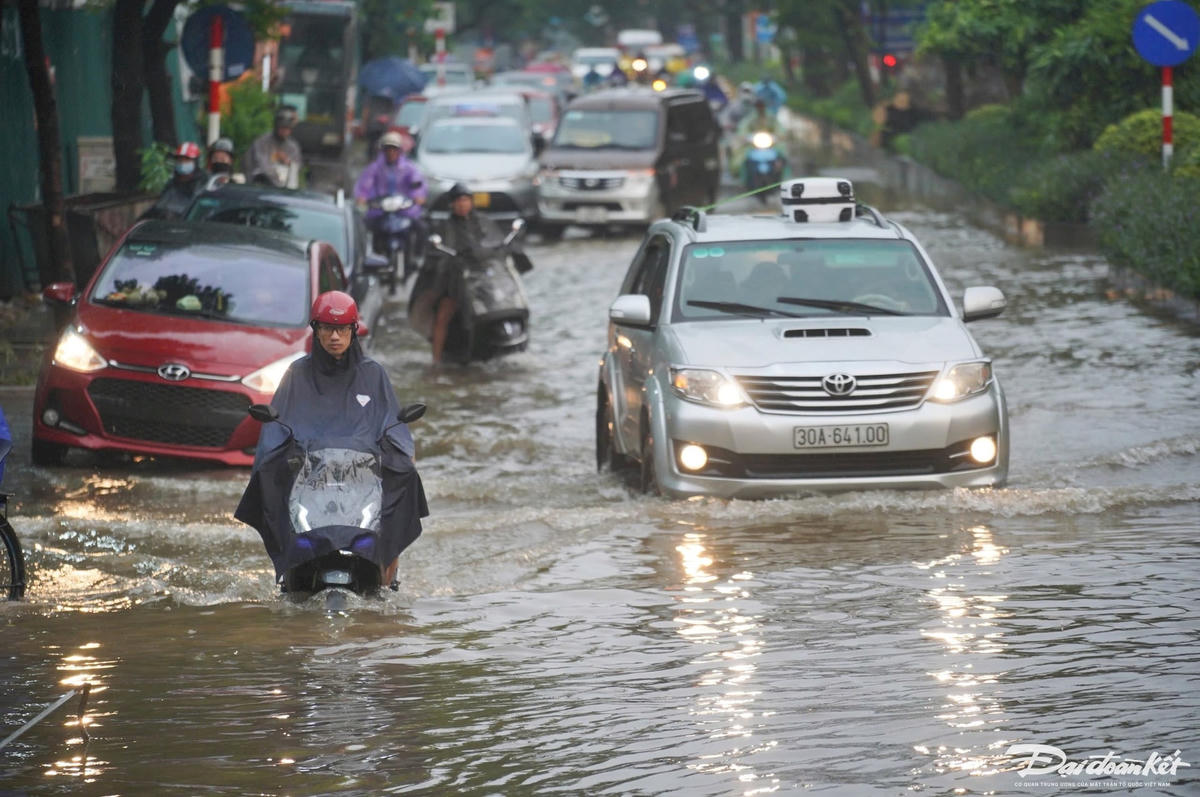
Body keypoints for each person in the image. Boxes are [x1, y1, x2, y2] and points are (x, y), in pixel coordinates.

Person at [235, 291, 427, 590]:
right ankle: (289, 571)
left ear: (354, 330)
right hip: (311, 476)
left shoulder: (373, 374)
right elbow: (278, 425)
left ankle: (388, 577)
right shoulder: (297, 374)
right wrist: (277, 458)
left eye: (342, 329)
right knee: (269, 478)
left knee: (404, 478)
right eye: (327, 328)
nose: (334, 336)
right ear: (316, 330)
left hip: (363, 475)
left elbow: (392, 423)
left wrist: (402, 454)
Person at [354, 130, 427, 276]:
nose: (391, 152)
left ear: (399, 151)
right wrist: (362, 197)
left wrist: (418, 196)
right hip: (380, 210)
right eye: (388, 149)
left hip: (404, 210)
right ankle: (366, 257)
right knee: (361, 227)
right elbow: (364, 186)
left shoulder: (409, 168)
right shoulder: (375, 168)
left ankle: (417, 259)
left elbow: (418, 185)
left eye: (394, 149)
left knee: (422, 228)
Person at [141, 142, 206, 220]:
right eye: (180, 159)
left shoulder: (202, 183)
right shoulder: (172, 183)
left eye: (187, 159)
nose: (182, 163)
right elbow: (159, 206)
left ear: (195, 162)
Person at [242, 105, 303, 188]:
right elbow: (261, 166)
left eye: (287, 128)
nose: (285, 131)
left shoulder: (293, 147)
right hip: (260, 185)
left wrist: (288, 162)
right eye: (282, 127)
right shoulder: (262, 142)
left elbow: (297, 166)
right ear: (276, 126)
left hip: (285, 188)